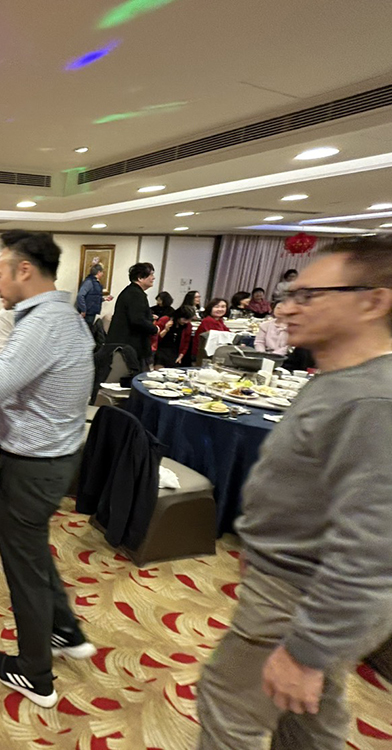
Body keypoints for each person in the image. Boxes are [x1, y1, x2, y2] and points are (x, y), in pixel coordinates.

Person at [196, 237, 392, 748]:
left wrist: (308, 651)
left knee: (228, 710)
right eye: (290, 294)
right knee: (307, 720)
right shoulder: (344, 381)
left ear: (373, 302)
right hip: (296, 585)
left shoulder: (373, 401)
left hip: (300, 596)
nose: (285, 309)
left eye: (308, 296)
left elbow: (373, 548)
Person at [0, 230, 96, 710]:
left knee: (23, 567)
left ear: (24, 270)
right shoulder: (61, 316)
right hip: (54, 458)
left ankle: (35, 674)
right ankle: (65, 630)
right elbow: (10, 371)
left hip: (32, 466)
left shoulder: (40, 324)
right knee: (31, 552)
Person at [106, 262, 158, 367]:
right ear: (140, 278)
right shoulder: (135, 294)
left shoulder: (131, 291)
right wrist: (154, 329)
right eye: (151, 275)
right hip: (130, 346)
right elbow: (137, 320)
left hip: (126, 344)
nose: (153, 278)